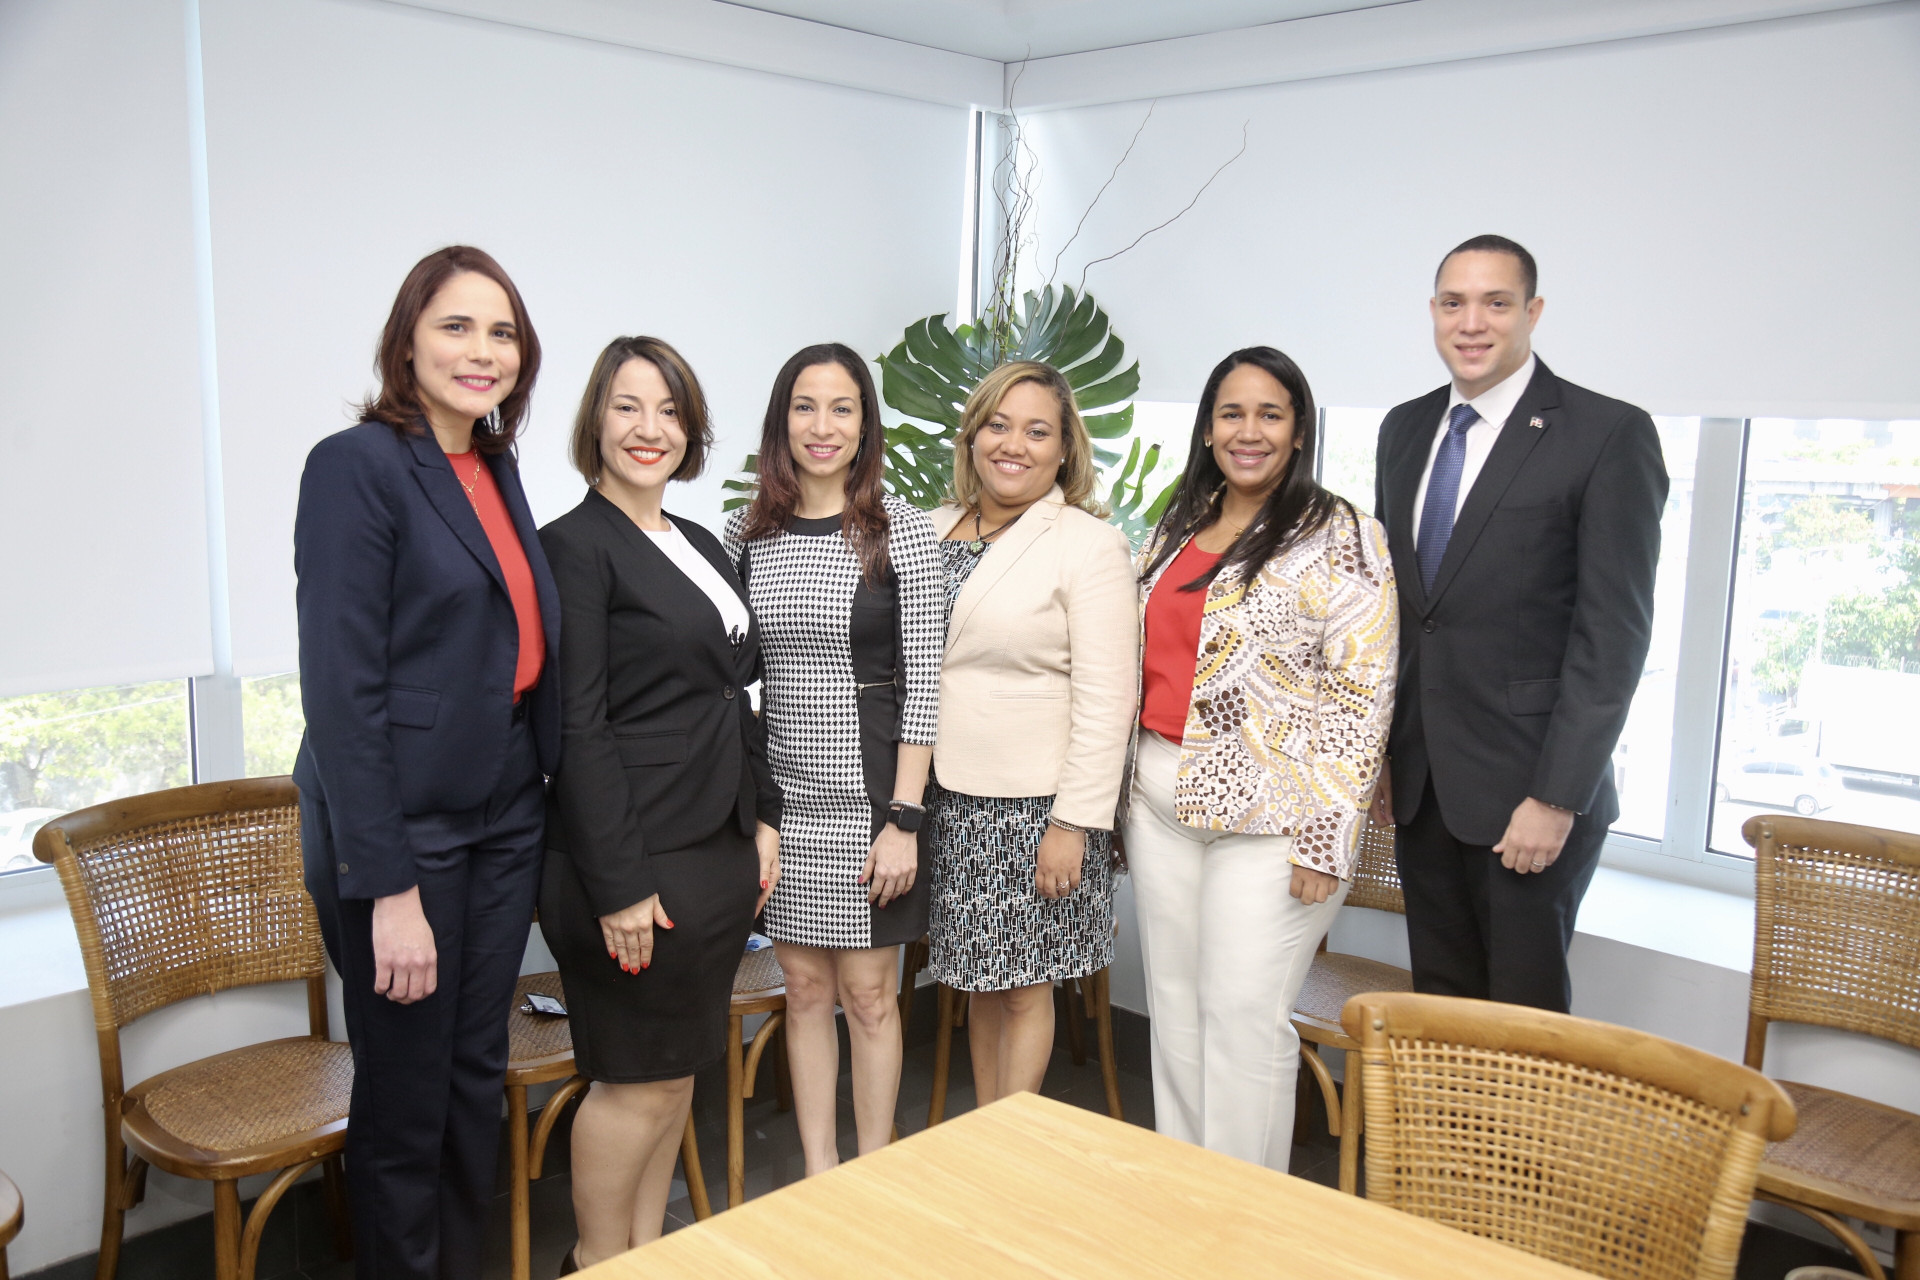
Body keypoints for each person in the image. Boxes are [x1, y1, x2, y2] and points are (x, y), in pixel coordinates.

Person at [294, 245, 559, 1280]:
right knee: (405, 1095)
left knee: (472, 1074)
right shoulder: (355, 466)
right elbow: (342, 693)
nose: (481, 350)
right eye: (455, 326)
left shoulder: (495, 465)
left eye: (502, 332)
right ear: (406, 342)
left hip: (505, 809)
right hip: (403, 832)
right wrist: (389, 888)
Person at [1371, 234, 1668, 1013]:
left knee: (1521, 1026)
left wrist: (1557, 797)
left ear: (1532, 313)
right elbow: (1400, 613)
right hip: (1423, 790)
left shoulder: (1607, 434)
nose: (1471, 323)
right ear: (1433, 312)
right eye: (1453, 303)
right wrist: (1385, 754)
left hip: (1528, 799)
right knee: (1440, 1012)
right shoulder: (1404, 429)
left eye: (1495, 303)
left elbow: (1613, 639)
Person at [538, 336, 782, 1269]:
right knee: (633, 1086)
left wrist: (763, 819)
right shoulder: (573, 549)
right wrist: (619, 886)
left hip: (713, 850)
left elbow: (735, 692)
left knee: (673, 1079)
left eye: (670, 410)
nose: (650, 429)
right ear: (595, 421)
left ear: (692, 430)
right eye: (628, 406)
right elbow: (578, 728)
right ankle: (596, 1261)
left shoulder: (699, 543)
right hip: (633, 863)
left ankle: (645, 1256)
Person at [1123, 347, 1397, 1172]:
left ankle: (1242, 1221)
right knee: (1176, 1010)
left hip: (1277, 821)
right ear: (1208, 429)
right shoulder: (1179, 523)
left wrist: (1327, 840)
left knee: (1243, 1016)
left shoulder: (1343, 534)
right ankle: (1187, 1191)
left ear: (1299, 429)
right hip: (1160, 803)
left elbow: (1361, 694)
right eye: (1232, 414)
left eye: (1270, 414)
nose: (1250, 432)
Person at [724, 344, 945, 1172]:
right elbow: (730, 679)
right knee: (806, 992)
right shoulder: (747, 535)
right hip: (784, 808)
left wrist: (905, 820)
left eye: (842, 408)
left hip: (873, 806)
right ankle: (821, 1176)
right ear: (782, 421)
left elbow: (924, 684)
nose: (823, 426)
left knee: (870, 997)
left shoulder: (900, 532)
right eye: (805, 407)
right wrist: (756, 816)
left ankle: (874, 1174)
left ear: (864, 424)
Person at [926, 360, 1137, 1105]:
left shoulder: (1088, 544)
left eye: (1037, 431)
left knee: (1023, 988)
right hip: (947, 798)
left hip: (1037, 808)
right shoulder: (928, 529)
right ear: (973, 435)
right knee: (980, 981)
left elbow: (1109, 699)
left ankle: (1008, 1139)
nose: (1013, 445)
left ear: (1064, 448)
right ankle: (989, 1135)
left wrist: (1074, 824)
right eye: (998, 424)